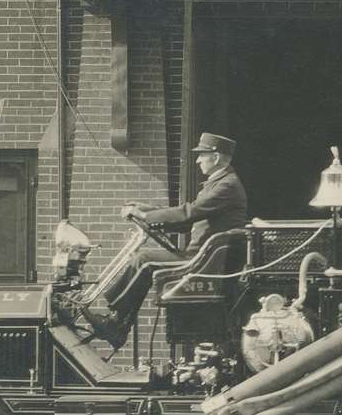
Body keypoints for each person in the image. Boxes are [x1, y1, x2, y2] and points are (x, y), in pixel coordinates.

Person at [86, 132, 247, 348]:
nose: (198, 160)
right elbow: (187, 221)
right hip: (202, 257)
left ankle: (116, 322)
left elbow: (190, 213)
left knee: (144, 259)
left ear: (216, 158)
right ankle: (119, 324)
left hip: (201, 261)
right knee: (144, 259)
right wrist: (149, 210)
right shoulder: (219, 183)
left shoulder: (226, 186)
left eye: (202, 155)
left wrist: (146, 216)